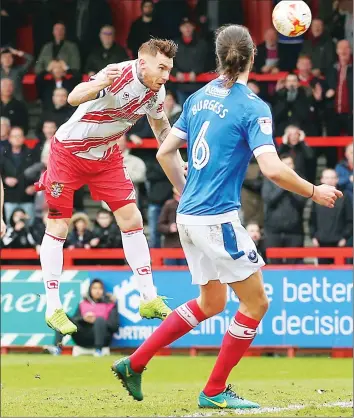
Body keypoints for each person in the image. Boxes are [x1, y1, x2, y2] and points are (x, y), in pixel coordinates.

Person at [111, 24, 342, 409]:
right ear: (253, 57)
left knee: (211, 302)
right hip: (217, 219)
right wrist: (314, 190)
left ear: (218, 57)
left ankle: (135, 362)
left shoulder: (198, 98)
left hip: (189, 217)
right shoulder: (252, 106)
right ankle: (214, 390)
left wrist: (186, 190)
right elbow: (271, 168)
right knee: (256, 304)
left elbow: (165, 153)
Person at [35, 39, 181, 336]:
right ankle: (53, 306)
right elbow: (74, 96)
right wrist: (99, 82)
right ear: (143, 63)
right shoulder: (117, 74)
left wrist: (179, 161)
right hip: (68, 153)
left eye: (169, 69)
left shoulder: (157, 92)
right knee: (59, 225)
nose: (166, 75)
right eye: (161, 68)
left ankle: (148, 297)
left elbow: (161, 129)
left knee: (133, 219)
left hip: (106, 156)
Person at [49, 279, 118, 357]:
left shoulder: (110, 305)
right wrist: (83, 319)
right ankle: (57, 348)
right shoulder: (83, 304)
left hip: (102, 338)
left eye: (100, 288)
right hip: (82, 338)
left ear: (103, 290)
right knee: (63, 316)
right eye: (94, 288)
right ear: (90, 290)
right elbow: (74, 320)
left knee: (99, 320)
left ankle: (98, 350)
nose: (97, 291)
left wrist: (97, 320)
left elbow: (114, 326)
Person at [262, 154, 307, 264]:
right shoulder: (269, 179)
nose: (288, 166)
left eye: (290, 164)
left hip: (294, 231)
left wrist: (291, 184)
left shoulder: (300, 180)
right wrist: (283, 185)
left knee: (294, 264)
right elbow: (269, 199)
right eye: (285, 164)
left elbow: (302, 201)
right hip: (273, 231)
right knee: (274, 264)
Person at [310, 169, 352, 264]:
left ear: (337, 180)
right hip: (321, 242)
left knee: (340, 274)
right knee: (322, 273)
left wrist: (344, 237)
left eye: (332, 178)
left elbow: (350, 220)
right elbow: (312, 219)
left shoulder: (344, 197)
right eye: (327, 178)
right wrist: (313, 236)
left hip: (340, 243)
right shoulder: (316, 198)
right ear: (322, 179)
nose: (329, 180)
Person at [1, 127, 37, 223]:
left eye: (19, 136)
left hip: (27, 196)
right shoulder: (3, 154)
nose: (17, 138)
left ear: (23, 138)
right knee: (9, 226)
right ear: (9, 138)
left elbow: (39, 172)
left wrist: (35, 187)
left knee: (29, 225)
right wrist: (5, 179)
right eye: (14, 136)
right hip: (9, 197)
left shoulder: (31, 153)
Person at [171, 18, 208, 105]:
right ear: (180, 28)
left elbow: (206, 62)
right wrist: (176, 73)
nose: (187, 28)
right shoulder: (174, 45)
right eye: (184, 26)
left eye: (189, 26)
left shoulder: (202, 44)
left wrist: (196, 71)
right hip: (181, 86)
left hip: (198, 86)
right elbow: (169, 63)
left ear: (193, 27)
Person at [325, 40, 353, 136]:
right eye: (341, 48)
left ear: (350, 50)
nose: (343, 51)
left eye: (346, 48)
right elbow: (325, 86)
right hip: (333, 114)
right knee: (331, 145)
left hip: (351, 114)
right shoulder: (331, 68)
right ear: (337, 51)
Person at [157, 187, 187, 266]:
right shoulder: (169, 205)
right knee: (170, 271)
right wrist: (169, 228)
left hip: (185, 246)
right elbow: (160, 225)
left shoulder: (188, 205)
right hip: (171, 246)